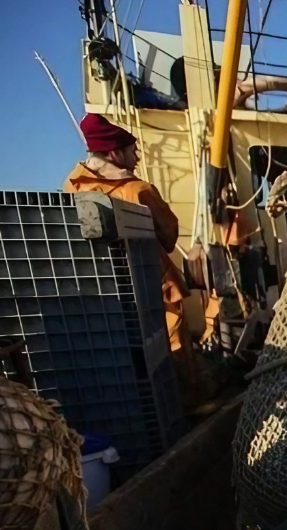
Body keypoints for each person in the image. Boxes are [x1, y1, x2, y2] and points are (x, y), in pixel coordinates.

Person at [64, 115, 196, 393]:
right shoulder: (138, 190)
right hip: (154, 290)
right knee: (172, 344)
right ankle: (188, 400)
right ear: (114, 153)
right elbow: (169, 237)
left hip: (100, 295)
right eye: (132, 151)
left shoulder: (71, 187)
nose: (136, 158)